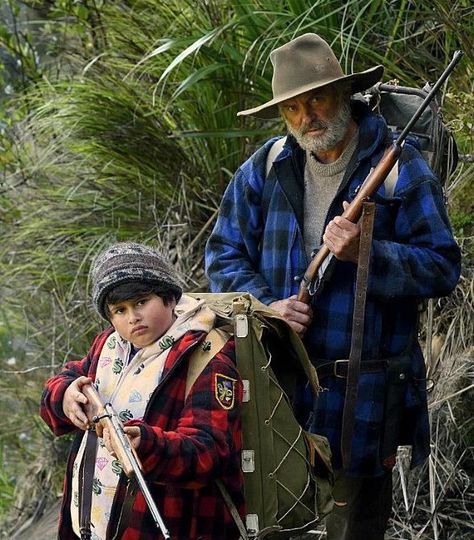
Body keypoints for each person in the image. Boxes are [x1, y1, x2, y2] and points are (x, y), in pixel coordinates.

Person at [205, 33, 461, 539]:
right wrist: (267, 308)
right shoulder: (266, 166)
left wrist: (368, 252)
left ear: (344, 95)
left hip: (363, 397)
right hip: (280, 389)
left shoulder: (398, 169)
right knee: (279, 524)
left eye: (317, 99)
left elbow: (442, 267)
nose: (307, 118)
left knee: (354, 527)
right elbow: (223, 254)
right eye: (293, 108)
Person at [40, 242, 243, 540]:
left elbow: (210, 451)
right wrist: (66, 396)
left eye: (141, 302)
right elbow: (62, 384)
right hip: (90, 526)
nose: (132, 317)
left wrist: (146, 444)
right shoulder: (109, 346)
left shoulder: (206, 356)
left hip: (166, 526)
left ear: (169, 298)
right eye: (119, 310)